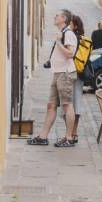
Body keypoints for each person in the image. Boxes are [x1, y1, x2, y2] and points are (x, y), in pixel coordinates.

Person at [28, 10, 78, 148]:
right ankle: (43, 137)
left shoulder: (68, 34)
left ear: (63, 18)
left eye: (57, 15)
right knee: (51, 105)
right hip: (57, 73)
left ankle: (69, 137)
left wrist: (58, 42)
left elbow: (70, 54)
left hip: (65, 74)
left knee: (67, 105)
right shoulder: (62, 33)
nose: (54, 17)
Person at [68, 15, 86, 144]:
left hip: (71, 72)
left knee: (68, 103)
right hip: (80, 74)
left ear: (75, 26)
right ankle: (74, 131)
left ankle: (71, 132)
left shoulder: (70, 38)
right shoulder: (84, 40)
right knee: (76, 101)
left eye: (70, 24)